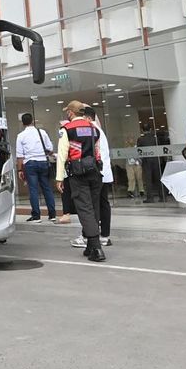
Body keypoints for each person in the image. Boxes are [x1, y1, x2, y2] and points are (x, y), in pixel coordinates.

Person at [55, 101, 105, 262]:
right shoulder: (93, 128)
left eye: (67, 112)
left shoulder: (67, 129)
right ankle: (91, 245)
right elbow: (97, 151)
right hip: (95, 172)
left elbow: (62, 155)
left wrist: (59, 177)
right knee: (93, 207)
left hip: (78, 173)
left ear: (71, 113)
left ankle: (97, 248)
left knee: (84, 208)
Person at [70, 106, 112, 249]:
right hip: (102, 172)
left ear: (87, 118)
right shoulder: (98, 130)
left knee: (90, 207)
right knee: (101, 205)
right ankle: (104, 235)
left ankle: (88, 237)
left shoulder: (89, 130)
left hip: (93, 171)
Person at [14, 113, 57, 223]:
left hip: (30, 164)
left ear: (22, 123)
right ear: (33, 121)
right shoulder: (42, 132)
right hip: (43, 162)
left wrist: (19, 170)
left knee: (33, 189)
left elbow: (20, 155)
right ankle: (52, 214)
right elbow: (49, 148)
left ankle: (36, 216)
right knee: (47, 188)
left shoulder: (21, 136)